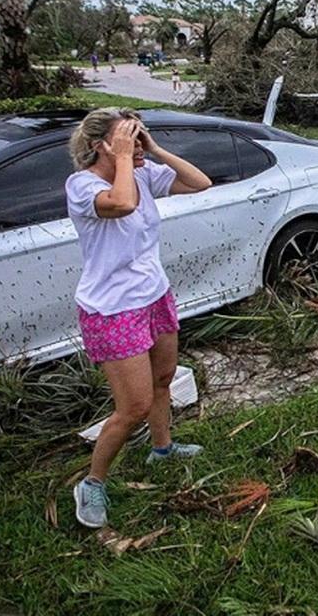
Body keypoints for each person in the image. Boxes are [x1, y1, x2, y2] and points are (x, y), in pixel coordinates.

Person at [66, 108, 213, 528]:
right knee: (133, 406)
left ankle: (162, 447)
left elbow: (199, 182)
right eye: (126, 136)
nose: (136, 141)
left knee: (164, 380)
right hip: (113, 309)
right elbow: (123, 204)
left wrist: (153, 148)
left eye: (137, 134)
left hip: (154, 295)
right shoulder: (82, 185)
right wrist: (127, 159)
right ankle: (92, 483)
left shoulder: (143, 173)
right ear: (101, 146)